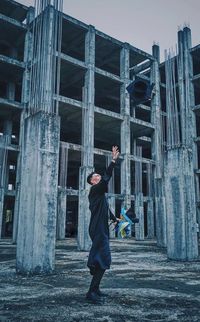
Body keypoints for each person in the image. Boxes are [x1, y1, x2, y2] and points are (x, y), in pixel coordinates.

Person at [86, 146, 120, 304]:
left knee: (103, 258)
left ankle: (95, 288)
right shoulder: (94, 190)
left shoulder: (100, 195)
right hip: (98, 229)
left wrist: (114, 218)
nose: (99, 177)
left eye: (98, 175)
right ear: (93, 181)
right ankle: (91, 291)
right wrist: (113, 161)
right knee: (103, 258)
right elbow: (106, 179)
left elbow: (107, 208)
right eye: (96, 176)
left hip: (101, 228)